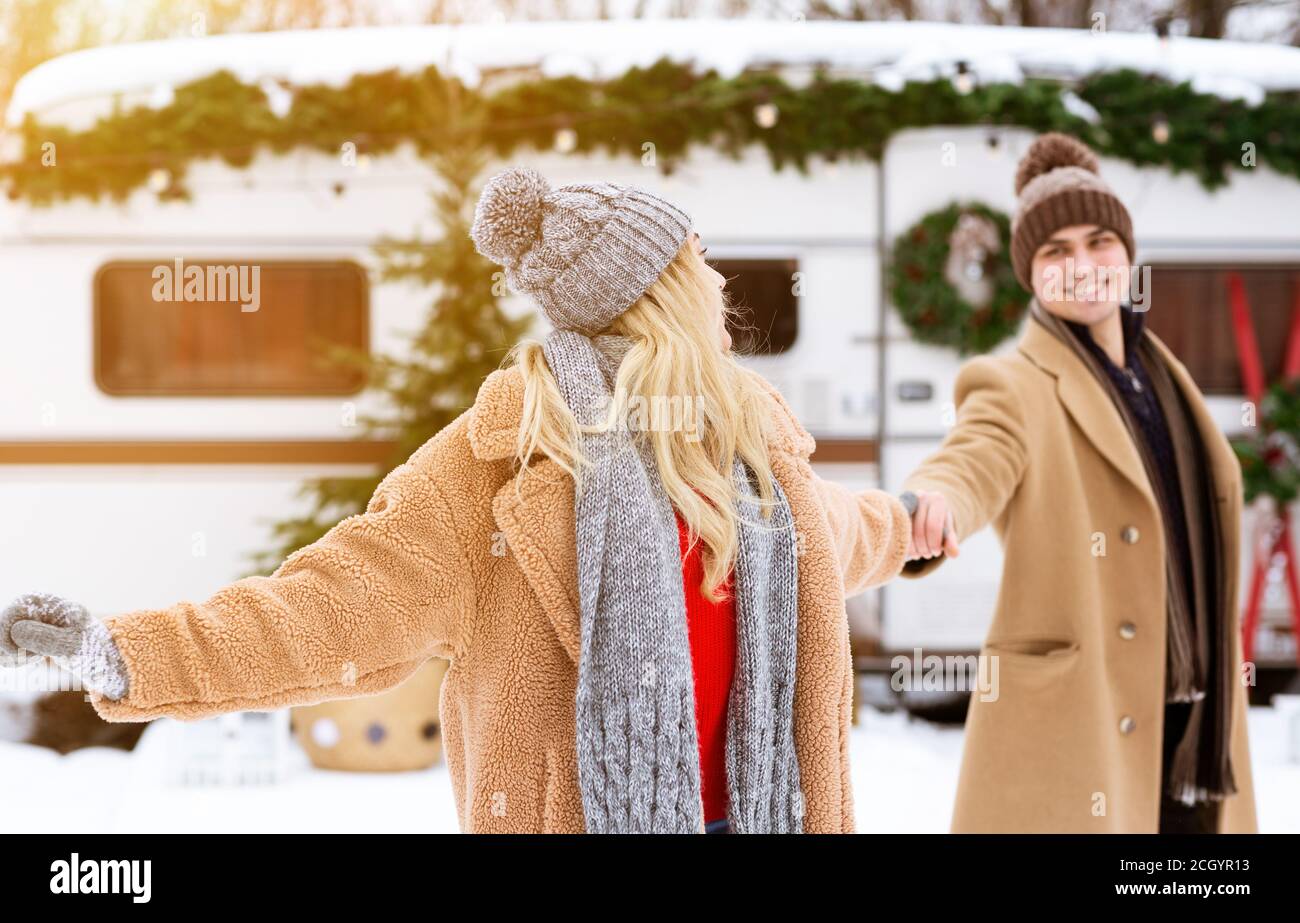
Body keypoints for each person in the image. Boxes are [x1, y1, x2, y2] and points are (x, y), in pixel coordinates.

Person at [0, 167, 911, 834]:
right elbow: (330, 611)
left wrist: (913, 525)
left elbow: (837, 534)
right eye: (699, 259)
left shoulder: (754, 451)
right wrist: (120, 651)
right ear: (657, 294)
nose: (718, 281)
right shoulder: (501, 468)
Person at [897, 133, 1258, 833]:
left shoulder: (1161, 373)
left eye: (1099, 241)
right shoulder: (1012, 382)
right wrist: (932, 501)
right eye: (1055, 251)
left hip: (1194, 728)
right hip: (1092, 720)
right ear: (1030, 272)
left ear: (1127, 251)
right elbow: (974, 455)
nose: (1083, 266)